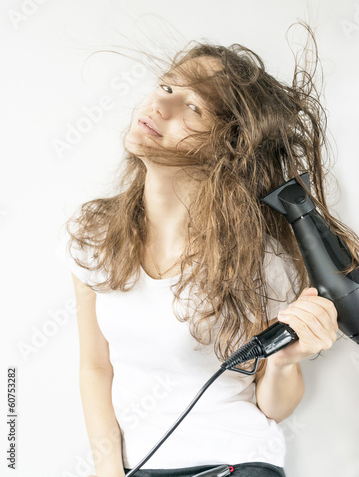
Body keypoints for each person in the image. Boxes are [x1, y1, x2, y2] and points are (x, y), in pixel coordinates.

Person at [56, 24, 359, 477]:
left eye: (191, 106)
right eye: (166, 86)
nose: (160, 104)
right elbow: (95, 367)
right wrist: (108, 468)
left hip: (235, 461)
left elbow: (271, 407)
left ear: (228, 144)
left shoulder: (261, 259)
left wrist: (284, 363)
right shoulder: (93, 236)